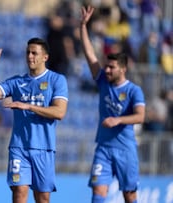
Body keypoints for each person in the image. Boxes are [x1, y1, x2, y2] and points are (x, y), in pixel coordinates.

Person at [0, 38, 68, 203]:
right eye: (28, 52)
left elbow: (60, 112)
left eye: (34, 53)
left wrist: (29, 107)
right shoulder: (17, 82)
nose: (30, 56)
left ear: (45, 57)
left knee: (42, 198)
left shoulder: (57, 80)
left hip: (44, 149)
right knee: (19, 193)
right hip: (19, 148)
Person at [80, 5, 146, 203]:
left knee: (129, 195)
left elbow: (140, 116)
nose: (106, 70)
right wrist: (83, 26)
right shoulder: (102, 81)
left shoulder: (134, 90)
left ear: (123, 69)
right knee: (98, 193)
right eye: (106, 66)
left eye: (111, 67)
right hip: (103, 148)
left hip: (126, 149)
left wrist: (118, 120)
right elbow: (90, 55)